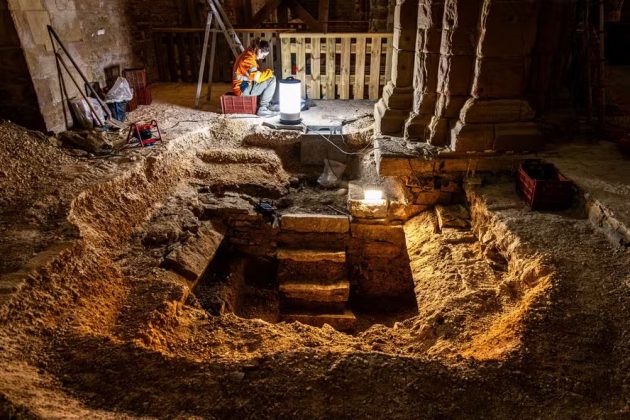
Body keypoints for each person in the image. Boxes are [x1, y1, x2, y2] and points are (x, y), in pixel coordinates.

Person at [232, 39, 278, 117]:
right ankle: (263, 108)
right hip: (243, 89)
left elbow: (253, 74)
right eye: (263, 56)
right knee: (272, 79)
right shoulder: (248, 59)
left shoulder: (249, 53)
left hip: (244, 85)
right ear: (259, 50)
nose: (262, 58)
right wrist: (269, 72)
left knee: (267, 77)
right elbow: (258, 78)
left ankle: (268, 104)